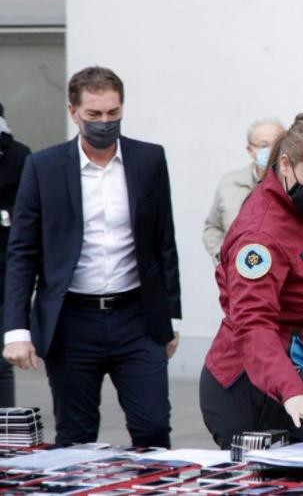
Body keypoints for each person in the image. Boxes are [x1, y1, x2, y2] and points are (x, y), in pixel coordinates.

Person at [2, 66, 181, 446]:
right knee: (76, 436)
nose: (104, 122)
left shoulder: (149, 160)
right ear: (73, 112)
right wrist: (16, 330)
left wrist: (173, 316)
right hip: (71, 321)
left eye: (113, 113)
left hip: (137, 318)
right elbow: (22, 252)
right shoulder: (43, 167)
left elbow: (164, 241)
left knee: (152, 428)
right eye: (94, 115)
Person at [200, 113, 303, 449]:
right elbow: (253, 323)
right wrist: (291, 391)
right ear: (285, 164)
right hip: (259, 391)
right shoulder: (260, 235)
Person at [203, 119, 285, 263]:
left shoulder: (293, 185)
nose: (272, 150)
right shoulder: (230, 183)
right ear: (250, 150)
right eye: (264, 145)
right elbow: (212, 227)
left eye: (277, 144)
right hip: (237, 270)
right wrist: (223, 255)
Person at [0, 103, 31, 407]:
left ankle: (3, 429)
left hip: (3, 272)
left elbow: (24, 215)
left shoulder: (18, 156)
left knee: (1, 367)